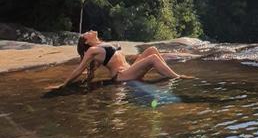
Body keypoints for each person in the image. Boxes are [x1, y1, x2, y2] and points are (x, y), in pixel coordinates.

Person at [59, 30, 191, 87]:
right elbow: (79, 69)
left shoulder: (102, 45)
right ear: (86, 42)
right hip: (121, 76)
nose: (90, 31)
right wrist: (64, 84)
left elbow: (94, 69)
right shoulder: (92, 51)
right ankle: (177, 78)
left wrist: (89, 79)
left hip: (129, 69)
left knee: (152, 50)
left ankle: (169, 74)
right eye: (87, 33)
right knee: (153, 58)